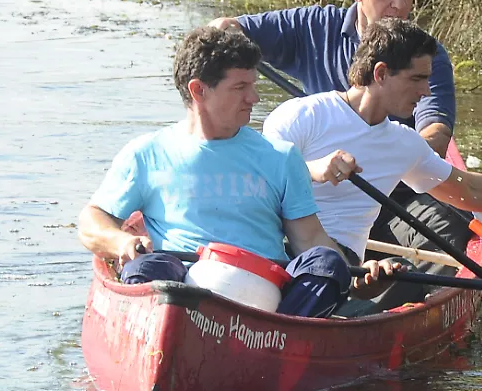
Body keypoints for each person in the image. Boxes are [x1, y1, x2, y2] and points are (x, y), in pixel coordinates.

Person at [262, 18, 482, 316]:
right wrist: (313, 169)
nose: (426, 91)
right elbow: (257, 179)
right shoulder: (300, 116)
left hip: (342, 269)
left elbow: (468, 189)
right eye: (417, 79)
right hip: (275, 248)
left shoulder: (404, 143)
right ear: (381, 74)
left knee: (402, 277)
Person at [77, 26, 396, 318]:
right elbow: (92, 221)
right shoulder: (146, 154)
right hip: (182, 289)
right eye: (240, 87)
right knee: (144, 268)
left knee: (328, 264)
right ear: (199, 90)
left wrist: (356, 278)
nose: (253, 98)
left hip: (267, 289)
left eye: (253, 85)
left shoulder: (281, 157)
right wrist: (121, 242)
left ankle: (277, 333)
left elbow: (311, 239)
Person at [207, 0, 454, 155]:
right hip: (318, 175)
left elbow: (436, 132)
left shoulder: (427, 55)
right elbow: (225, 28)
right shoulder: (313, 27)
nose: (399, 5)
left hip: (396, 181)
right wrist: (226, 33)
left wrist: (402, 160)